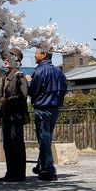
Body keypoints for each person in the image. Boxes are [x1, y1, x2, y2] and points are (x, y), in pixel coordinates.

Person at [27, 45, 67, 181]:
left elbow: (32, 90)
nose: (34, 56)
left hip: (42, 107)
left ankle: (49, 169)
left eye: (36, 53)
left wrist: (28, 82)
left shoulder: (40, 71)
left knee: (43, 139)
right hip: (54, 108)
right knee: (46, 137)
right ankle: (41, 164)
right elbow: (63, 89)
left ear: (43, 55)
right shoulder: (59, 72)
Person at [0, 48, 28, 182]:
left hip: (16, 115)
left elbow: (23, 96)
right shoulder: (5, 77)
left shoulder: (20, 76)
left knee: (17, 143)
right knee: (7, 144)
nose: (6, 60)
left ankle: (19, 174)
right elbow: (0, 96)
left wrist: (9, 100)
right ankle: (10, 172)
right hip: (6, 115)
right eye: (5, 58)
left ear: (17, 61)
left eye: (10, 58)